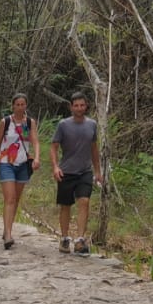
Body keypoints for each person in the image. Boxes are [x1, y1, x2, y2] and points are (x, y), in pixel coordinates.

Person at [0, 93, 39, 249]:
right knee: (10, 198)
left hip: (23, 164)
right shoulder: (5, 122)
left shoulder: (30, 122)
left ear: (26, 106)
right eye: (17, 104)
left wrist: (37, 158)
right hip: (6, 163)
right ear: (13, 106)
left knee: (16, 200)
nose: (20, 107)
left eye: (23, 104)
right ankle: (8, 235)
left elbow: (35, 140)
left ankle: (7, 228)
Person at [49, 92, 103, 254]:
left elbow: (94, 149)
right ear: (71, 107)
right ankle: (65, 238)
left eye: (82, 105)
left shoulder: (92, 125)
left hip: (85, 171)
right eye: (76, 105)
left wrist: (98, 171)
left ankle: (80, 240)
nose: (79, 108)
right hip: (66, 172)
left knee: (84, 201)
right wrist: (55, 167)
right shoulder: (63, 125)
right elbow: (53, 147)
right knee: (66, 206)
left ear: (86, 106)